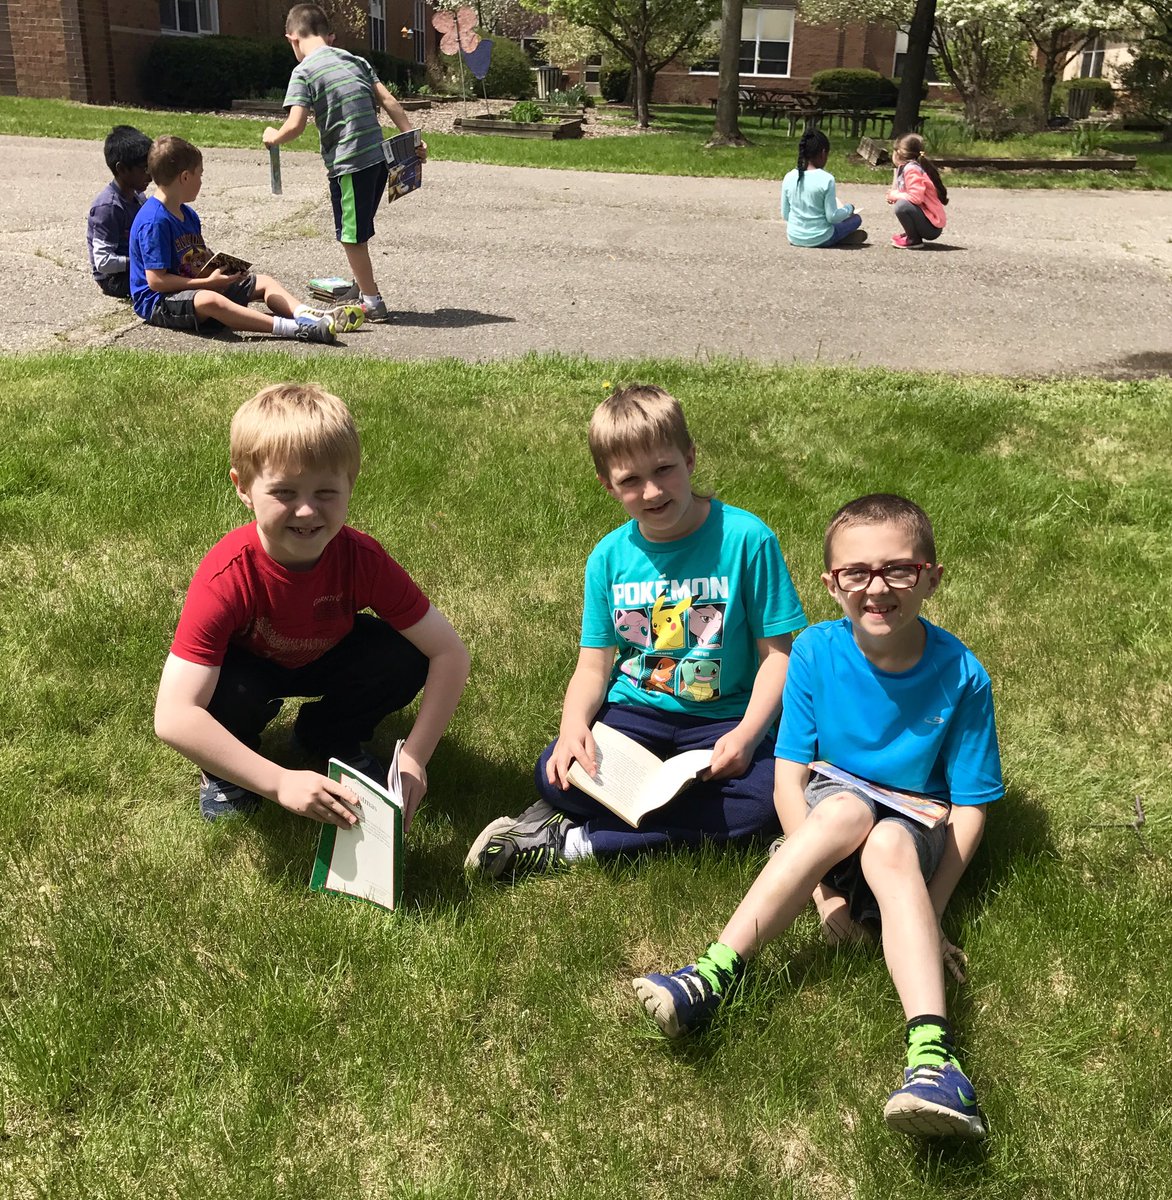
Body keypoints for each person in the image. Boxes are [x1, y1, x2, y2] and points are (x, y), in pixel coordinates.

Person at [632, 494, 1002, 1141]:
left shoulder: (962, 674)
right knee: (842, 813)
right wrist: (827, 896)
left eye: (898, 570)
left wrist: (935, 909)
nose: (876, 588)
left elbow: (970, 807)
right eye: (856, 573)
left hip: (912, 828)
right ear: (832, 584)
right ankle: (713, 975)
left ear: (931, 576)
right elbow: (788, 776)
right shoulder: (813, 652)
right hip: (831, 817)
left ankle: (934, 1063)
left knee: (886, 839)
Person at [465, 384, 807, 881]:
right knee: (554, 774)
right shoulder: (608, 558)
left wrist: (747, 736)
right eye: (631, 480)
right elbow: (595, 664)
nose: (652, 491)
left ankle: (576, 841)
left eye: (664, 469)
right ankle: (648, 815)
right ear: (608, 484)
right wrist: (572, 728)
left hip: (724, 718)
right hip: (637, 714)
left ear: (689, 459)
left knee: (765, 800)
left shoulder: (747, 539)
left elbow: (779, 656)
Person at [154, 383, 471, 827]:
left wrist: (415, 757)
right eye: (284, 492)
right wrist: (279, 781)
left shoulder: (361, 559)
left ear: (350, 485)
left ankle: (329, 737)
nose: (306, 511)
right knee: (225, 695)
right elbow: (172, 715)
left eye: (325, 493)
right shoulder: (227, 575)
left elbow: (449, 653)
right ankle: (230, 769)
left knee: (404, 654)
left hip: (326, 651)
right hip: (249, 668)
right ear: (243, 487)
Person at [262, 3, 429, 324]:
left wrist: (273, 137)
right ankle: (360, 282)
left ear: (292, 39)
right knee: (358, 224)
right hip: (379, 160)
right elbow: (389, 101)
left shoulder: (304, 71)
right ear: (328, 35)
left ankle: (372, 301)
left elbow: (295, 125)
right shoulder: (357, 60)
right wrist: (413, 138)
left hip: (349, 164)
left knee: (350, 235)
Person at [128, 135, 362, 345]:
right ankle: (295, 328)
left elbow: (195, 255)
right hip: (159, 302)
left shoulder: (187, 214)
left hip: (197, 283)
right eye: (200, 174)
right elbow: (156, 282)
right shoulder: (154, 222)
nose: (202, 180)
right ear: (185, 177)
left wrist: (222, 268)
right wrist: (207, 284)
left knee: (264, 282)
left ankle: (308, 314)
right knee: (211, 301)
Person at [87, 125, 153, 299]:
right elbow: (103, 262)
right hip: (115, 278)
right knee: (166, 277)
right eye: (144, 169)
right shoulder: (108, 208)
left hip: (136, 265)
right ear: (122, 169)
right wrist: (143, 263)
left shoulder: (138, 197)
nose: (150, 175)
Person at [780, 128, 866, 248]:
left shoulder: (789, 177)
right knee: (856, 219)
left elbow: (785, 214)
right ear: (823, 153)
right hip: (821, 236)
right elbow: (832, 217)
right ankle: (838, 238)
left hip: (794, 236)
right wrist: (848, 209)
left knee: (838, 224)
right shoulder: (826, 179)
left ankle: (840, 237)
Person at [887, 133, 948, 249]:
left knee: (902, 206)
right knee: (902, 204)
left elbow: (916, 198)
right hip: (928, 223)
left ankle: (914, 239)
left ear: (898, 153)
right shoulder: (908, 167)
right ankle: (912, 235)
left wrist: (895, 195)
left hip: (931, 228)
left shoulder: (912, 170)